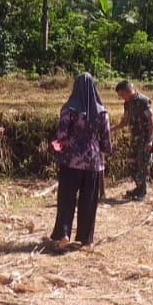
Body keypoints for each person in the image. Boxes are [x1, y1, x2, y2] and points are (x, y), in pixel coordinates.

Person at [50, 72, 112, 250]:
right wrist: (101, 150)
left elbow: (61, 135)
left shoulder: (69, 109)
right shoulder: (102, 112)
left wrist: (63, 143)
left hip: (71, 161)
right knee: (89, 200)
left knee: (67, 198)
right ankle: (87, 240)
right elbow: (106, 142)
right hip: (92, 162)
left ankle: (63, 235)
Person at [110, 79, 153, 201]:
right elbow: (124, 122)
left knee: (143, 165)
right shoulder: (127, 104)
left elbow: (152, 121)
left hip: (146, 139)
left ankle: (142, 192)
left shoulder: (143, 101)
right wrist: (109, 129)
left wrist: (150, 140)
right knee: (132, 163)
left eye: (121, 95)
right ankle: (138, 188)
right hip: (135, 139)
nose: (121, 97)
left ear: (128, 91)